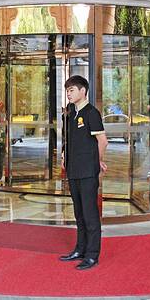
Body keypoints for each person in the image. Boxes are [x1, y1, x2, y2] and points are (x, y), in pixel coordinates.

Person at [59, 75, 108, 270]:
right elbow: (69, 140)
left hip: (88, 172)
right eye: (67, 90)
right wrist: (64, 155)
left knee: (90, 214)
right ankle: (80, 249)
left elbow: (102, 141)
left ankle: (92, 255)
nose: (68, 93)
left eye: (72, 90)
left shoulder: (91, 113)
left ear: (83, 91)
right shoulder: (70, 113)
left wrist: (98, 161)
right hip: (73, 170)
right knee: (79, 213)